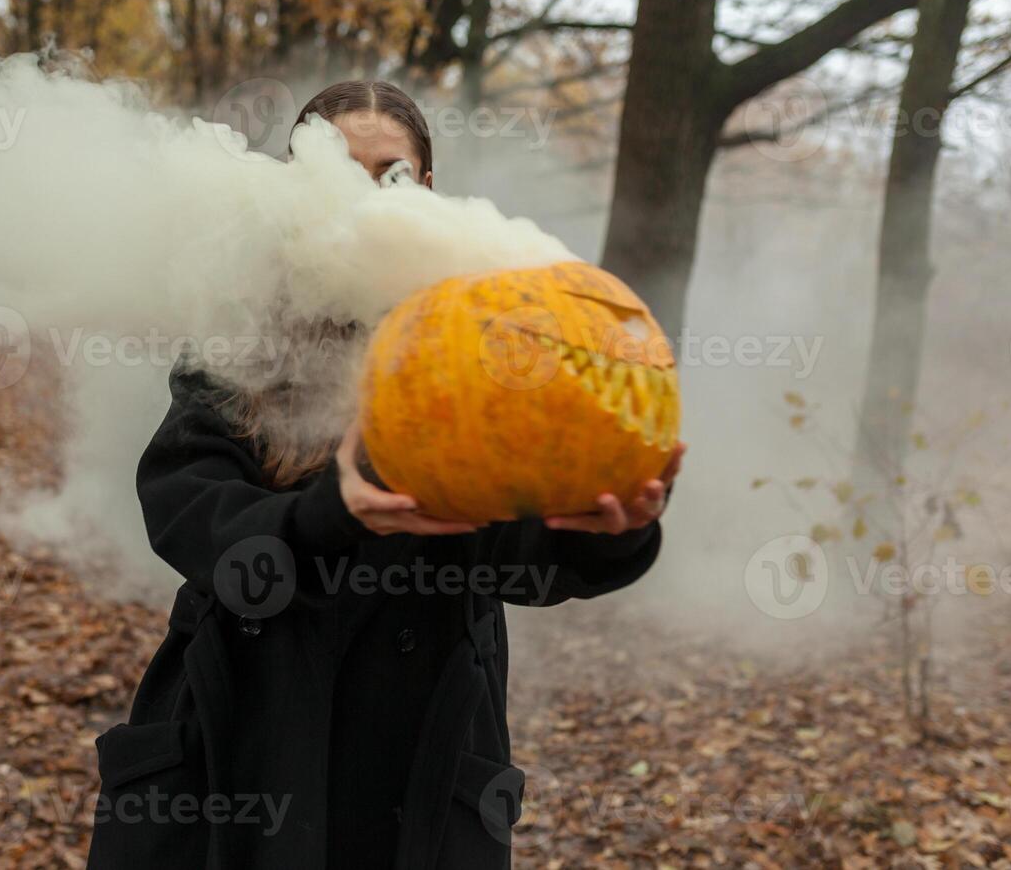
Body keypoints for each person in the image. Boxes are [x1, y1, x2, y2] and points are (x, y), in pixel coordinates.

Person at [85, 80, 685, 870]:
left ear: (427, 191)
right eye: (339, 170)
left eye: (390, 175)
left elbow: (519, 558)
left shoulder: (489, 341)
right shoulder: (240, 334)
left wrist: (610, 533)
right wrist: (329, 516)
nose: (363, 199)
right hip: (248, 745)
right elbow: (185, 516)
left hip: (422, 753)